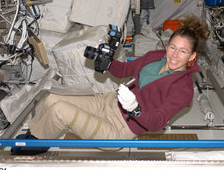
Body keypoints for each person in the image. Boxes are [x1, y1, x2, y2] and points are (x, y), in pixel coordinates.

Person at [11, 15, 210, 155]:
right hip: (108, 103)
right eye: (173, 47)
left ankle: (33, 146)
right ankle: (36, 135)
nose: (175, 55)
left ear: (192, 56)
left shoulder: (183, 89)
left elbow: (158, 122)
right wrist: (107, 62)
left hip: (120, 128)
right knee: (53, 98)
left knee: (60, 111)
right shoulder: (154, 57)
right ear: (167, 46)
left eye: (182, 52)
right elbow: (124, 71)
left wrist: (136, 109)